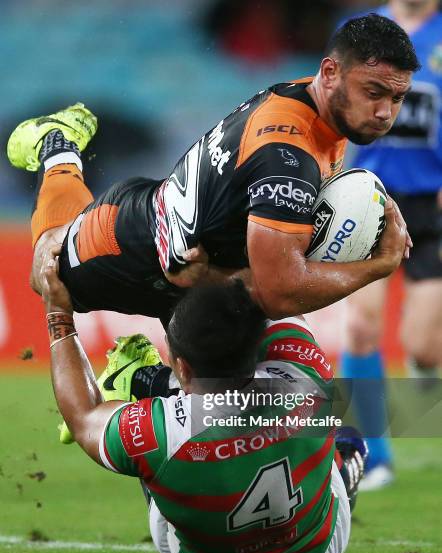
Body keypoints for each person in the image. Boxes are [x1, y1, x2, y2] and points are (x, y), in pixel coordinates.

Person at [7, 14, 415, 327]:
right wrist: (378, 265)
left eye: (397, 98)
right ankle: (57, 148)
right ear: (330, 73)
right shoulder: (285, 156)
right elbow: (279, 293)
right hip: (123, 245)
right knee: (49, 274)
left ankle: (141, 378)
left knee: (248, 391)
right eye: (373, 93)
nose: (384, 113)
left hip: (181, 261)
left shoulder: (324, 105)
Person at [40, 247, 366, 553]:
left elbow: (82, 417)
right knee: (345, 433)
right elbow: (276, 287)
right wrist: (379, 264)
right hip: (315, 550)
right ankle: (346, 462)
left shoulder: (159, 431)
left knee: (150, 449)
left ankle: (149, 383)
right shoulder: (305, 373)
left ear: (182, 368)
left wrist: (58, 314)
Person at [341, 0, 442, 490]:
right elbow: (331, 107)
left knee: (424, 344)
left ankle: (427, 363)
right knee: (361, 326)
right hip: (370, 201)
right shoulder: (359, 31)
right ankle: (369, 455)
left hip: (433, 207)